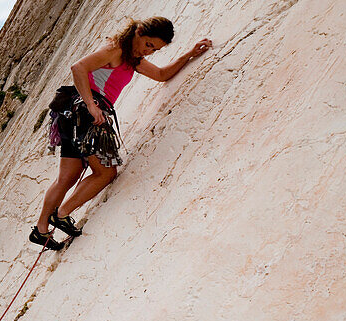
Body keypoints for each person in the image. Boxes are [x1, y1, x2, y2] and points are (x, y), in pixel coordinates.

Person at [30, 16, 212, 250]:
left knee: (68, 176)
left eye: (155, 49)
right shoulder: (115, 49)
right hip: (85, 113)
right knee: (105, 173)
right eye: (149, 45)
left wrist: (189, 54)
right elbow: (78, 68)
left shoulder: (132, 59)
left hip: (72, 114)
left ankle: (41, 230)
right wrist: (91, 105)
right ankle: (62, 213)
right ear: (138, 32)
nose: (149, 52)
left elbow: (160, 75)